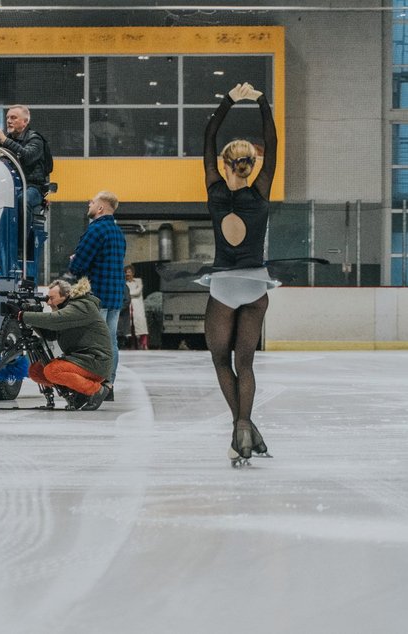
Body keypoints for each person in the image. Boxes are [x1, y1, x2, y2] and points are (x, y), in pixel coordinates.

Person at [201, 81, 279, 466]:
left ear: (225, 163)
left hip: (224, 285)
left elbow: (209, 135)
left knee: (220, 361)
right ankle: (245, 424)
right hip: (256, 282)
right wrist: (262, 101)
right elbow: (274, 143)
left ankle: (240, 426)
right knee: (245, 363)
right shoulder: (261, 191)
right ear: (250, 165)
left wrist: (230, 99)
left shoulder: (214, 189)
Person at [4, 277, 112, 410]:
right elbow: (50, 334)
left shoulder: (82, 306)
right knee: (36, 371)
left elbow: (56, 320)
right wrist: (31, 318)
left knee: (52, 370)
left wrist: (23, 315)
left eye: (52, 298)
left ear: (65, 296)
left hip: (95, 362)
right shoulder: (69, 309)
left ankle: (96, 390)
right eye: (47, 298)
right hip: (82, 360)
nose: (48, 302)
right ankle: (80, 393)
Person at [67, 191, 126, 402]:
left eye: (92, 202)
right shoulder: (118, 232)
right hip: (115, 297)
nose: (89, 204)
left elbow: (79, 265)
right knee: (110, 342)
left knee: (92, 344)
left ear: (100, 208)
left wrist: (73, 260)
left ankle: (92, 387)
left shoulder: (96, 230)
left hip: (97, 296)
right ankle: (108, 385)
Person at [0, 105, 50, 219]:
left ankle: (21, 237)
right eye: (7, 118)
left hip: (31, 186)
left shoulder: (35, 139)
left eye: (13, 118)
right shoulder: (6, 141)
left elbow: (27, 157)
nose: (9, 121)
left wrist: (4, 140)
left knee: (22, 200)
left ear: (25, 121)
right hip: (9, 185)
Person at [124, 264, 149, 350]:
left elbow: (137, 292)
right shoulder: (124, 283)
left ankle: (144, 344)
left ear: (133, 273)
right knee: (129, 326)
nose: (128, 274)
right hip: (128, 305)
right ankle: (131, 345)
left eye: (129, 272)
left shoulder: (138, 281)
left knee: (140, 325)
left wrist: (128, 293)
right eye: (126, 272)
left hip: (137, 305)